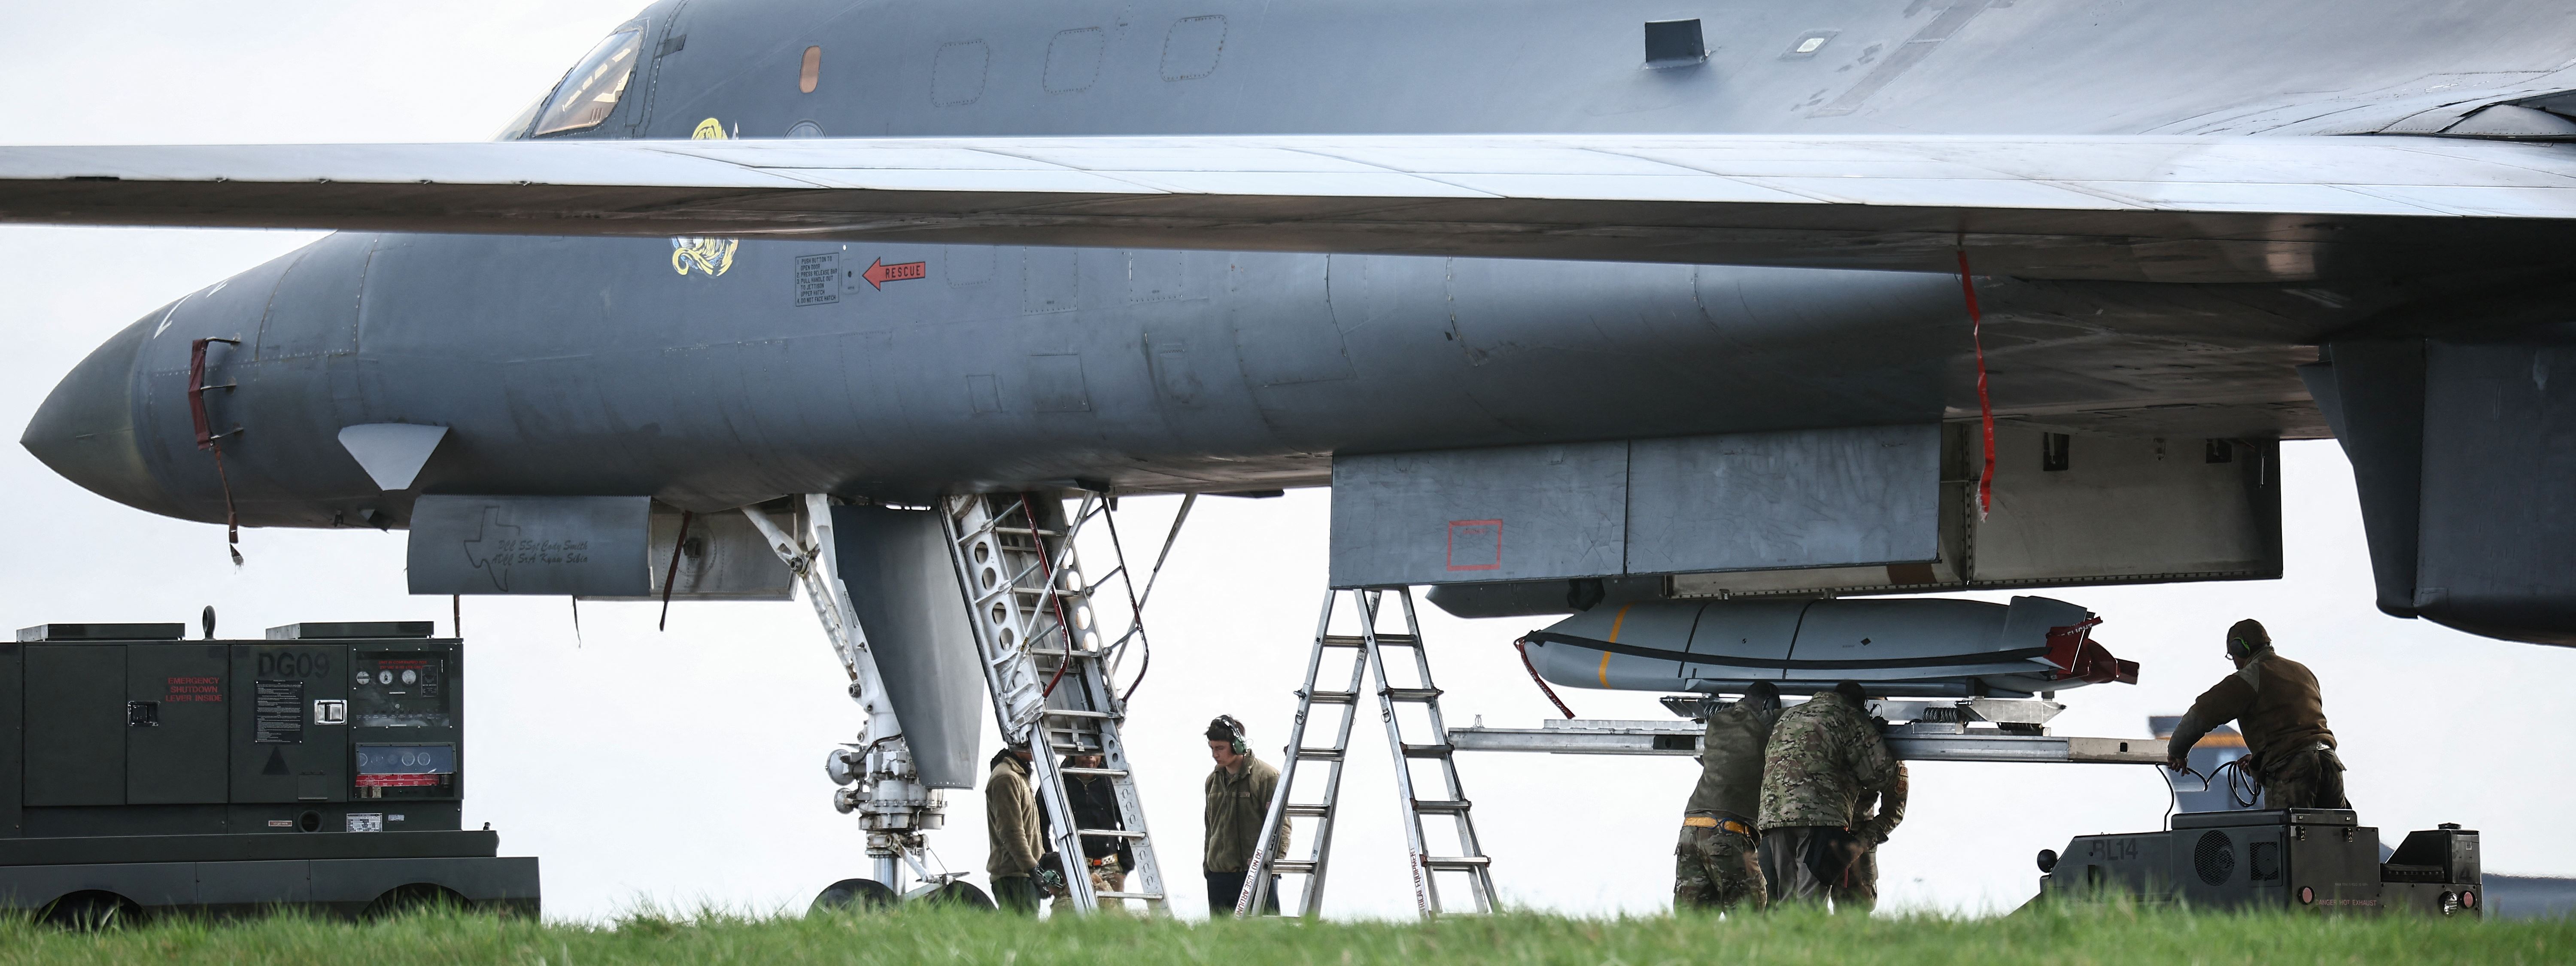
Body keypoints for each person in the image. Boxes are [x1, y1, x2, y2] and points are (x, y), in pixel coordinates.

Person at [2166, 619, 2348, 810]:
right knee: (2333, 836)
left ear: (2241, 649)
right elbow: (2297, 730)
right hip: (2330, 765)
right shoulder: (2303, 672)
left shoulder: (2251, 677)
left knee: (2286, 837)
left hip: (2295, 771)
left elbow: (2201, 714)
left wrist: (2177, 751)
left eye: (2233, 656)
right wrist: (2259, 759)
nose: (2235, 663)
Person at [1756, 680, 1899, 909]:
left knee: (1787, 898)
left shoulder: (1790, 715)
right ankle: (1809, 944)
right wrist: (1874, 738)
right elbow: (1880, 775)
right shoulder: (1849, 716)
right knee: (1811, 899)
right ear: (1860, 706)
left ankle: (1785, 944)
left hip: (1774, 816)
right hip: (1819, 819)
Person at [1674, 681, 1782, 912]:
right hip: (1728, 832)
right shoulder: (1766, 724)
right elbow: (1806, 715)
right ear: (1769, 704)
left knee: (1693, 924)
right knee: (1750, 916)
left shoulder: (1717, 722)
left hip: (1691, 831)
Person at [1203, 714, 1288, 915]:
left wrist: (1272, 864)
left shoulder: (1267, 777)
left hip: (1257, 874)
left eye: (1220, 748)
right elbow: (1210, 827)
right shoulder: (1212, 782)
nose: (1215, 754)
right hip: (1219, 877)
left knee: (1266, 939)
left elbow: (1282, 826)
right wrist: (1208, 865)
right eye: (1212, 748)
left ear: (1237, 745)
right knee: (1221, 941)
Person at [1039, 751, 1135, 915]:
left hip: (1110, 865)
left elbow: (1131, 822)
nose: (1090, 758)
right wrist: (1051, 862)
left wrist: (1124, 867)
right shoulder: (1056, 781)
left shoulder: (1112, 781)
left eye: (1095, 753)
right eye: (1084, 753)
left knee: (1114, 922)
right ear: (1072, 755)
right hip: (1073, 865)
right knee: (1067, 916)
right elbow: (1040, 824)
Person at [1840, 762, 1908, 912]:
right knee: (1805, 908)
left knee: (1857, 912)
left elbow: (1893, 813)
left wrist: (1860, 844)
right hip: (1815, 835)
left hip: (1859, 842)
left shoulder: (1889, 759)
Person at [985, 742, 1042, 916]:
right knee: (1024, 937)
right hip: (1015, 876)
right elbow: (1012, 832)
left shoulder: (1018, 774)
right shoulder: (1007, 778)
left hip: (1023, 874)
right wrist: (1032, 869)